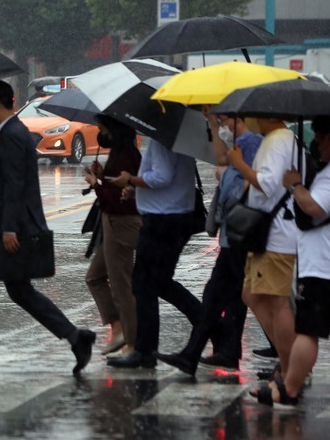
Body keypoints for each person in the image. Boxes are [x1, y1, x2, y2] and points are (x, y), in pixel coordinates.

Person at [0, 81, 95, 375]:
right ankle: (75, 337)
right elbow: (0, 178)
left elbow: (16, 185)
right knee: (17, 291)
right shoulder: (8, 133)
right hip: (1, 226)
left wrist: (8, 229)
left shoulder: (13, 135)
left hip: (4, 228)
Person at [259, 116, 330, 408]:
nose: (317, 146)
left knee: (308, 332)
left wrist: (295, 185)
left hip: (327, 268)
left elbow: (314, 206)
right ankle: (289, 387)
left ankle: (290, 389)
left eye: (319, 139)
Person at [157, 112, 262, 375]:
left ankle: (202, 354)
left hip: (240, 233)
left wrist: (232, 182)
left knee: (223, 296)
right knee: (223, 297)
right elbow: (222, 157)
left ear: (240, 119)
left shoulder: (251, 143)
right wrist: (213, 126)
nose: (224, 125)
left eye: (226, 120)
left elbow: (252, 179)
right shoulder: (240, 143)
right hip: (232, 235)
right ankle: (214, 353)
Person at [104, 124, 202, 369]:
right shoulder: (179, 135)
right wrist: (135, 188)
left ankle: (145, 351)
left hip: (162, 221)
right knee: (161, 283)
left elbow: (161, 177)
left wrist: (131, 179)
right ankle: (208, 323)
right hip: (173, 216)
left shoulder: (162, 139)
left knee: (144, 285)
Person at [229, 116, 299, 381]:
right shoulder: (283, 139)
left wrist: (240, 166)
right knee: (251, 294)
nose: (252, 121)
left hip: (275, 234)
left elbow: (267, 184)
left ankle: (291, 365)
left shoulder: (276, 142)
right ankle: (290, 361)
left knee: (278, 302)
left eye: (254, 115)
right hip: (270, 234)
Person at [82, 116, 141, 357]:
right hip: (110, 224)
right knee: (94, 277)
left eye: (102, 129)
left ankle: (133, 343)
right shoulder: (119, 153)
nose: (100, 133)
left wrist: (95, 183)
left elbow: (114, 199)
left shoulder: (128, 156)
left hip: (121, 224)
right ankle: (117, 326)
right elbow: (113, 186)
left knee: (120, 286)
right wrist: (101, 174)